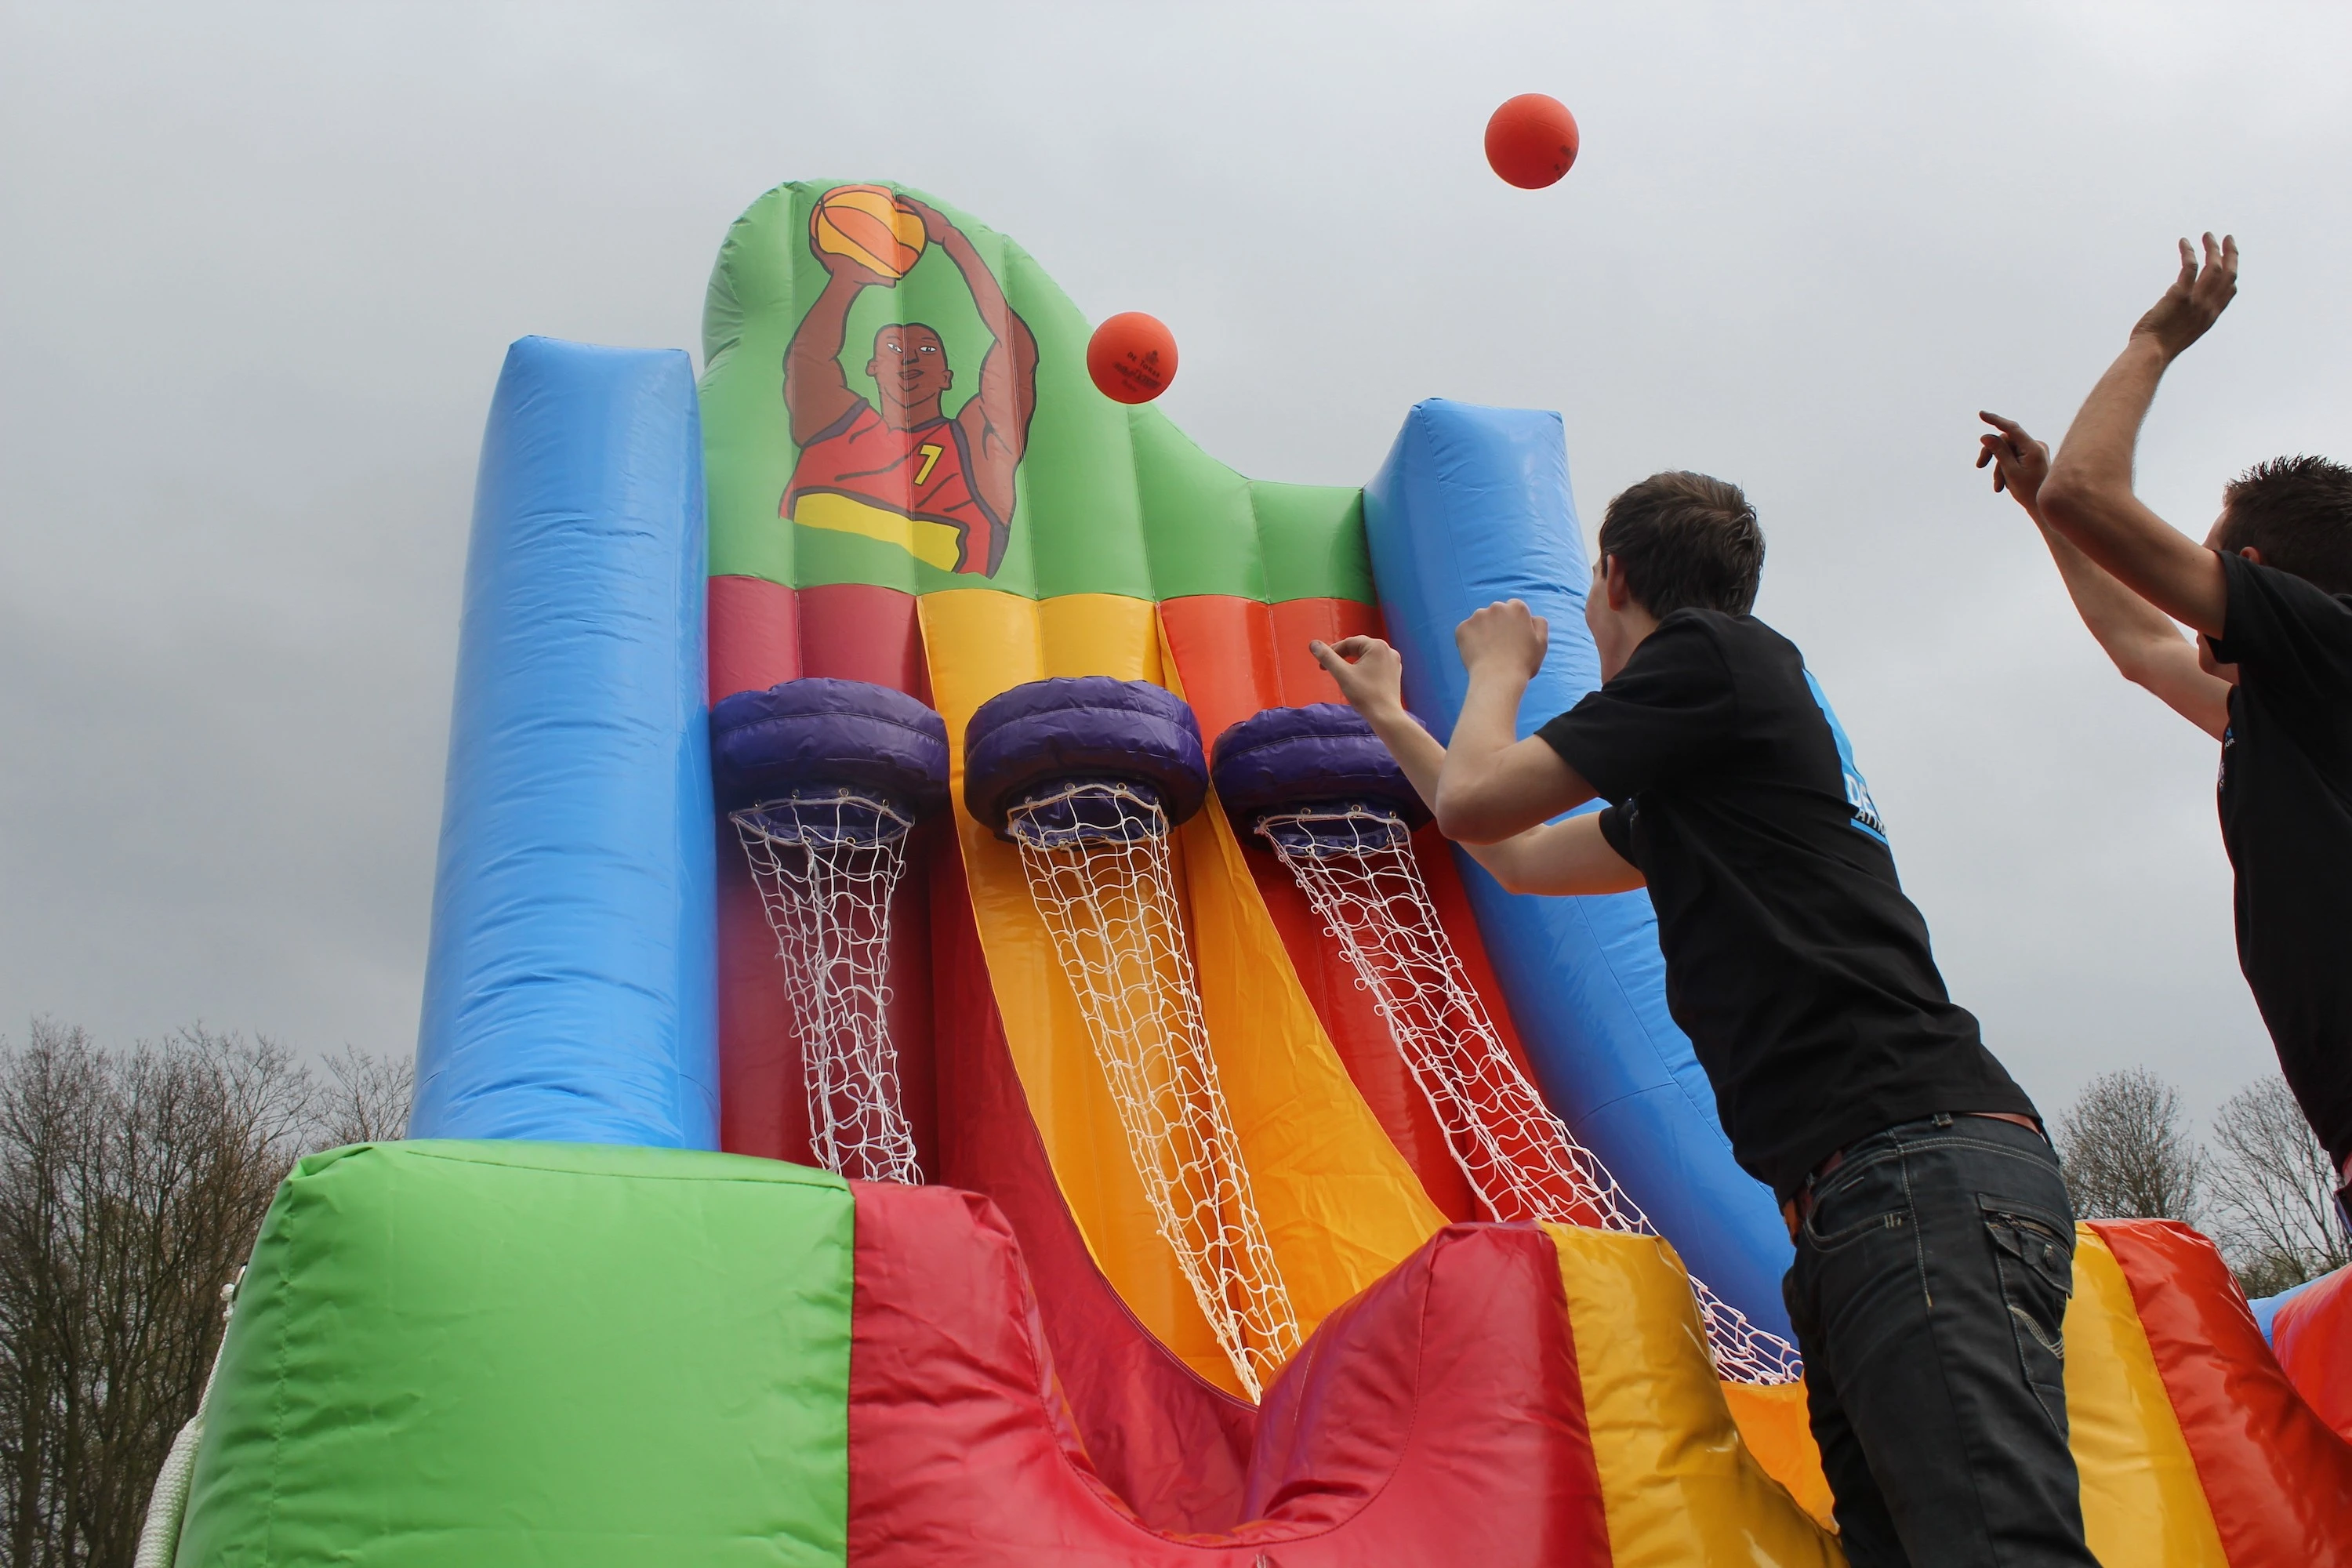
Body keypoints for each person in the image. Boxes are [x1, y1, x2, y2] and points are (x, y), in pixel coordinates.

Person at [1311, 473, 2093, 1566]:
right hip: (1867, 1195)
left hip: (1910, 1174)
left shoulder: (1714, 654)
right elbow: (1518, 855)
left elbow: (1479, 801)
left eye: (1592, 583)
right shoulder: (1704, 774)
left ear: (1616, 577)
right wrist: (1391, 715)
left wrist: (1497, 668)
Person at [1980, 233, 2352, 1232]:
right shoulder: (2293, 715)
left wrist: (2154, 340)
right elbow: (2144, 648)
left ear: (2260, 576)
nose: (2182, 588)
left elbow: (2092, 496)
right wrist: (2042, 511)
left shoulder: (2332, 645)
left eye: (2202, 557)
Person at [780, 190, 1038, 577]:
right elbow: (807, 361)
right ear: (871, 368)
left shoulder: (976, 445)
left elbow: (1015, 350)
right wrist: (848, 277)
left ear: (948, 379)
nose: (910, 356)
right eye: (894, 347)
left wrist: (951, 239)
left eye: (928, 350)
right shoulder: (835, 428)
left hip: (937, 627)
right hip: (817, 606)